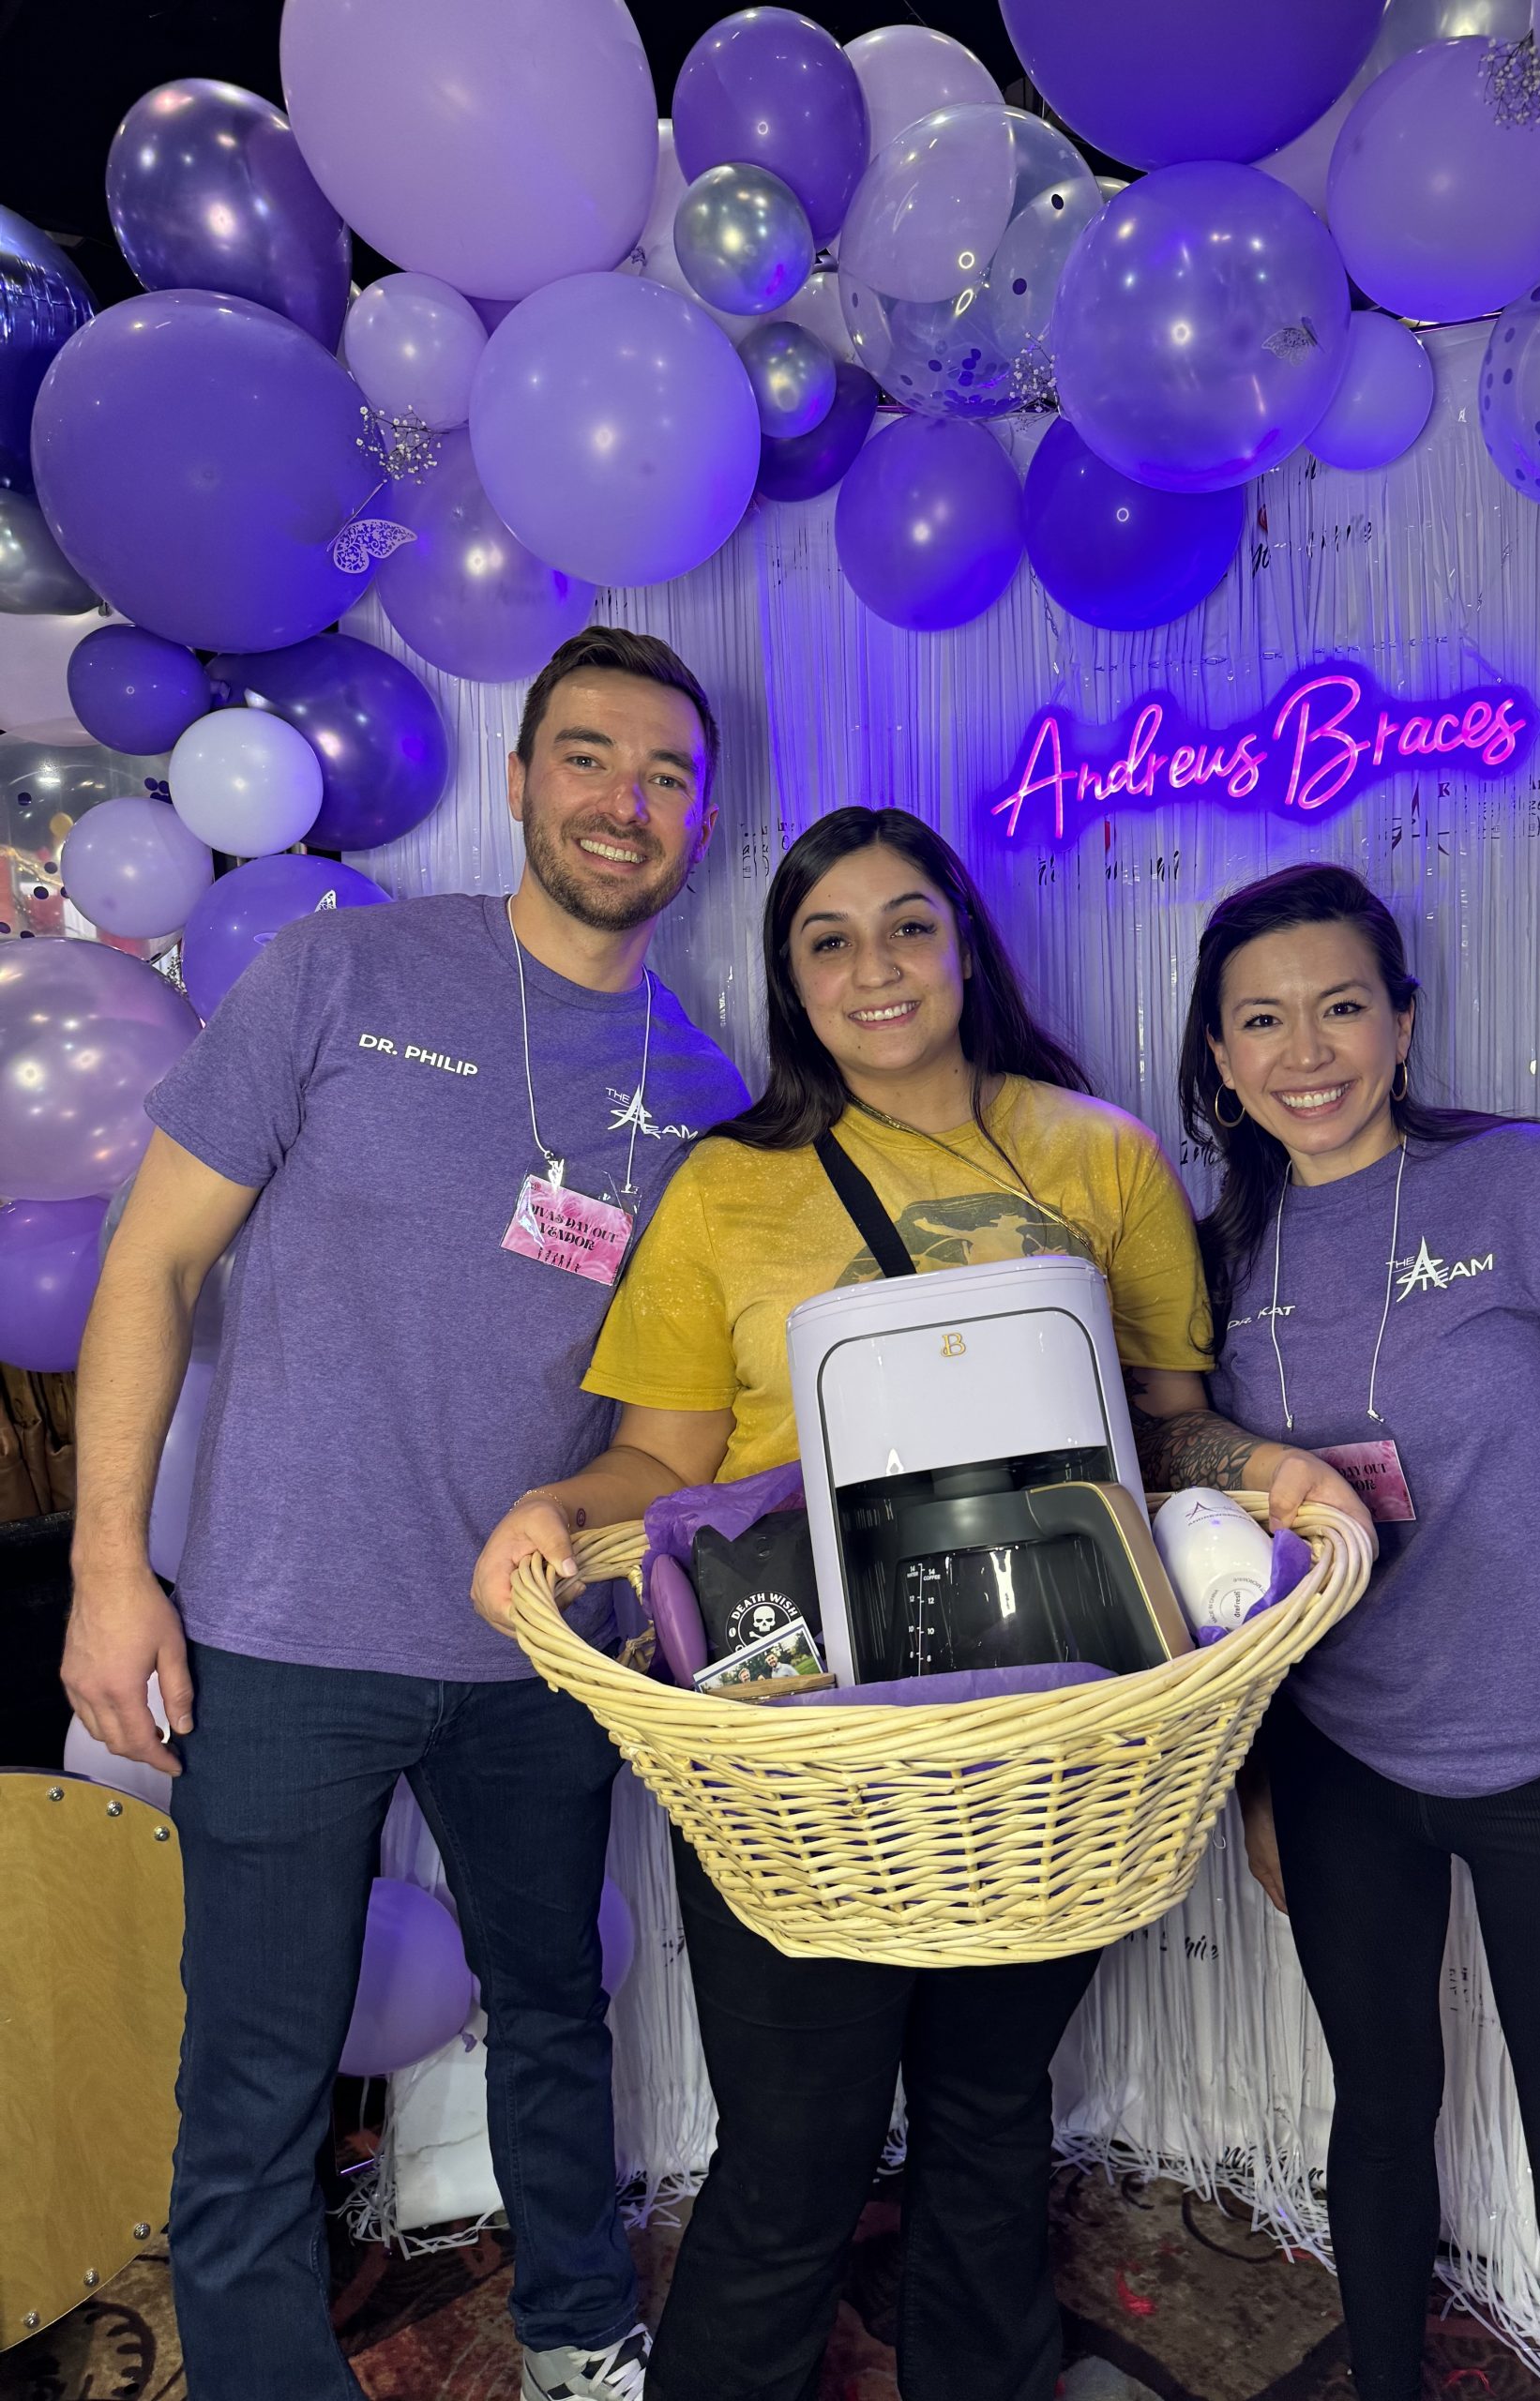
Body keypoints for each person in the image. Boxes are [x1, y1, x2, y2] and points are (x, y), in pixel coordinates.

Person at [472, 807, 1365, 2401]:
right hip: (798, 1745)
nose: (872, 968)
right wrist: (550, 1512)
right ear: (790, 980)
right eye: (828, 940)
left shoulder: (1097, 1151)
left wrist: (1276, 1473)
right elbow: (659, 1462)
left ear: (964, 940)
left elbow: (1170, 1427)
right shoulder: (726, 1189)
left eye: (905, 926)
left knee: (990, 2111)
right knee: (796, 2148)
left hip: (1051, 1725)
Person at [62, 627, 750, 2401]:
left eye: (668, 773)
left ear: (703, 818)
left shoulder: (703, 1099)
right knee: (257, 2082)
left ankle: (583, 2338)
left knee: (553, 2015)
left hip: (539, 1653)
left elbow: (673, 1430)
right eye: (589, 758)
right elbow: (149, 1262)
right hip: (279, 1634)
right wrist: (108, 1563)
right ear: (519, 781)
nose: (627, 801)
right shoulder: (342, 976)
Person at [1179, 862, 1540, 2401]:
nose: (1307, 1051)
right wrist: (1263, 1780)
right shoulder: (1221, 1261)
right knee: (1378, 2128)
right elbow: (1209, 1506)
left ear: (1402, 1024)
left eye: (1343, 1007)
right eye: (1261, 1021)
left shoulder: (1533, 1191)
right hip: (1343, 1762)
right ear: (1218, 1057)